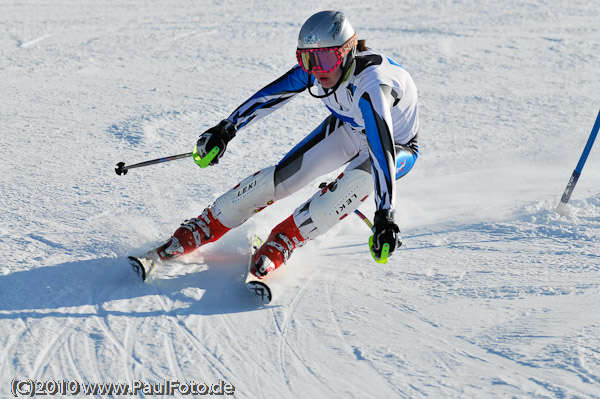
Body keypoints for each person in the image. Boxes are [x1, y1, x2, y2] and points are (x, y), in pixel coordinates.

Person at [136, 10, 419, 280]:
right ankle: (205, 225)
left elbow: (382, 150)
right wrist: (226, 129)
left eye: (325, 58)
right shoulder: (318, 70)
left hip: (396, 146)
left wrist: (384, 215)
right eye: (307, 60)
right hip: (349, 128)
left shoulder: (372, 88)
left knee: (354, 182)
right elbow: (270, 96)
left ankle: (286, 238)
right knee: (282, 178)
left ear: (346, 52)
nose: (317, 70)